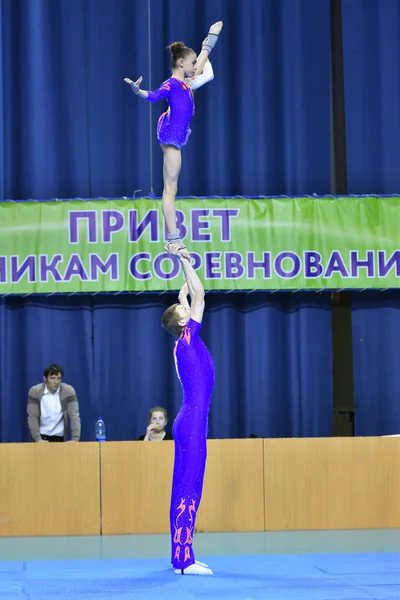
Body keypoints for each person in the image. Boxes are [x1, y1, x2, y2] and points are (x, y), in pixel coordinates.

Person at [124, 21, 223, 254]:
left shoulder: (188, 81)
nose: (194, 66)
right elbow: (153, 96)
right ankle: (173, 239)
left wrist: (211, 37)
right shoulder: (171, 84)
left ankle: (173, 238)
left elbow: (203, 67)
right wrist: (137, 90)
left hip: (177, 134)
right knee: (170, 189)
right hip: (170, 137)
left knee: (203, 74)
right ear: (181, 63)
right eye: (191, 63)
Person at [161, 245, 215, 576]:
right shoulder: (188, 337)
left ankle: (179, 554)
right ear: (183, 319)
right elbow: (200, 293)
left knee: (181, 483)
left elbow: (188, 291)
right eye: (184, 308)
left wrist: (183, 265)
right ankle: (184, 559)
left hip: (187, 421)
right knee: (189, 485)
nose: (189, 307)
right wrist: (181, 256)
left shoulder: (181, 342)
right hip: (193, 423)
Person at [27, 364, 81, 442]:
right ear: (45, 378)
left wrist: (75, 439)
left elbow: (74, 416)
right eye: (52, 378)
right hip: (40, 437)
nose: (56, 382)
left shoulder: (68, 391)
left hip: (59, 437)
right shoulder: (35, 392)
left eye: (58, 378)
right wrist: (38, 439)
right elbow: (32, 417)